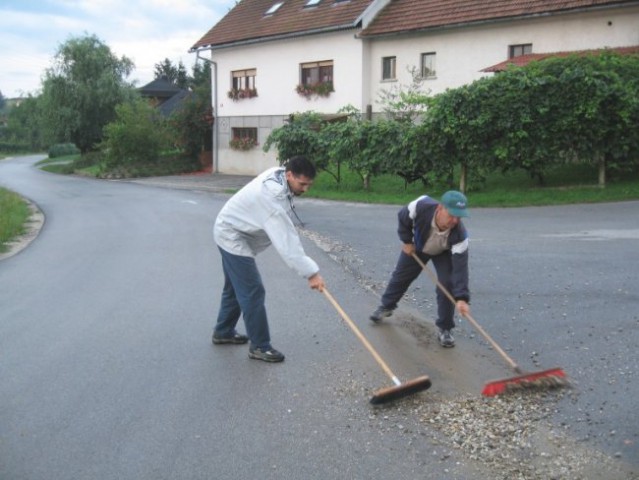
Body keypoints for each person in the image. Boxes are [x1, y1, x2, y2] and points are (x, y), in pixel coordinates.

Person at [212, 155, 325, 362]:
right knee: (252, 290)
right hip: (232, 235)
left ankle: (223, 331)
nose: (305, 189)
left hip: (235, 229)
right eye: (302, 184)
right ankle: (260, 346)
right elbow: (286, 242)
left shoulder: (280, 175)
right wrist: (311, 273)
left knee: (235, 288)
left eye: (309, 185)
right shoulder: (271, 197)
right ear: (289, 174)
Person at [370, 191, 471, 348]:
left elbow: (460, 269)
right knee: (401, 276)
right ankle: (386, 306)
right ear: (440, 208)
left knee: (447, 284)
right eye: (452, 215)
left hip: (443, 252)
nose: (455, 220)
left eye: (459, 217)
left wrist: (462, 297)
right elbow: (403, 216)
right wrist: (407, 241)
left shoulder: (460, 236)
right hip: (418, 246)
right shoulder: (420, 205)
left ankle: (445, 328)